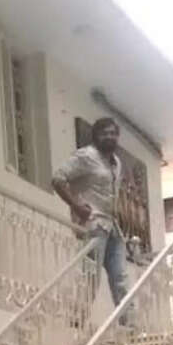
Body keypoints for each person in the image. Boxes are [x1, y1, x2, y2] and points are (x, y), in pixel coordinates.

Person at [52, 117, 132, 326]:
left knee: (121, 278)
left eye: (113, 133)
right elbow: (58, 178)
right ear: (96, 136)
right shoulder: (86, 156)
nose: (109, 137)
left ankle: (130, 326)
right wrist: (76, 206)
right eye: (104, 133)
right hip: (94, 225)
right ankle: (77, 323)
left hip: (112, 226)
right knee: (90, 277)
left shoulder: (116, 163)